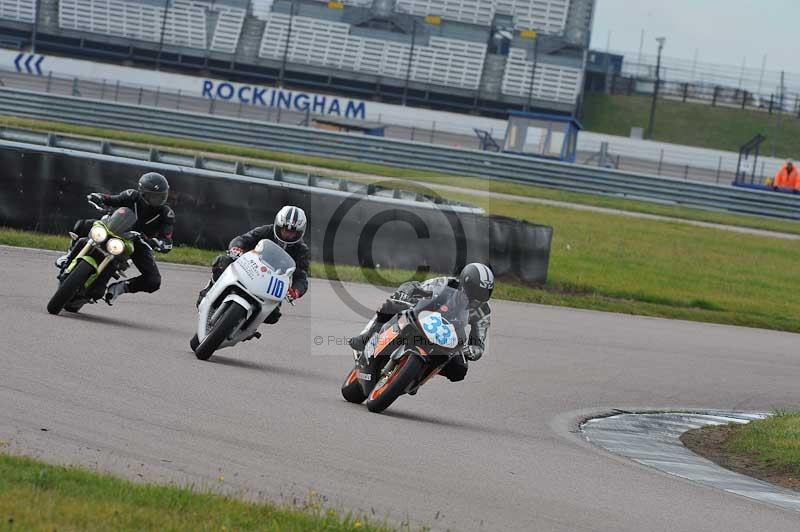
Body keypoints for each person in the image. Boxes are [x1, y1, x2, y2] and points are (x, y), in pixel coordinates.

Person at [348, 263, 494, 383]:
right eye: (476, 291)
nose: (478, 298)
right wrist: (405, 294)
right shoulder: (445, 284)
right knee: (392, 305)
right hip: (423, 317)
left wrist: (472, 351)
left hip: (448, 338)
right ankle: (368, 335)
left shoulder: (483, 312)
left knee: (460, 369)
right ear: (464, 283)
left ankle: (418, 375)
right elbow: (415, 286)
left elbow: (478, 343)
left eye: (484, 294)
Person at [55, 172, 175, 305]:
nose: (159, 200)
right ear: (143, 193)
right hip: (113, 228)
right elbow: (112, 199)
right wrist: (99, 197)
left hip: (138, 242)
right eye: (154, 197)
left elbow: (167, 240)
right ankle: (68, 255)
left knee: (154, 281)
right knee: (82, 225)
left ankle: (119, 289)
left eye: (162, 196)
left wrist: (158, 243)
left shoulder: (166, 214)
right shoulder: (132, 195)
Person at [197, 205, 310, 324]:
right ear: (278, 225)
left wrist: (296, 291)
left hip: (272, 283)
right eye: (285, 229)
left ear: (299, 233)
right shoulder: (266, 230)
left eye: (292, 232)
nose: (287, 234)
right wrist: (237, 248)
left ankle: (247, 328)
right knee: (222, 262)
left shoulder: (301, 250)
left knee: (273, 315)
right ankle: (209, 291)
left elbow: (301, 278)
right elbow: (244, 239)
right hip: (250, 267)